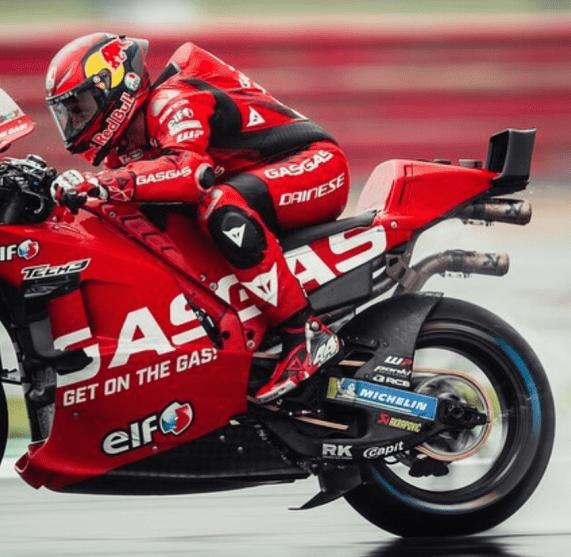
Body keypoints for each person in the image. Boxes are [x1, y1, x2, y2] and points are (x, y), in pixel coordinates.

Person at [45, 33, 350, 403]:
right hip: (263, 181)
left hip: (316, 165)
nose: (74, 121)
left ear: (117, 87)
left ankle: (306, 333)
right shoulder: (124, 150)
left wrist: (103, 185)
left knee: (218, 203)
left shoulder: (172, 99)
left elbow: (190, 174)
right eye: (67, 112)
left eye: (79, 107)